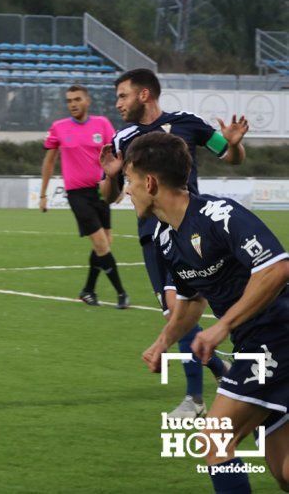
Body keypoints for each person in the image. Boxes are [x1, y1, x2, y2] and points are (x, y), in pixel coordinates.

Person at [132, 132, 289, 494]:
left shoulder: (219, 215)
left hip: (277, 337)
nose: (127, 191)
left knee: (214, 438)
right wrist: (162, 342)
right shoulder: (167, 238)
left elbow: (276, 269)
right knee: (284, 471)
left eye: (130, 180)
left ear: (150, 182)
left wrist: (223, 327)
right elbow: (190, 303)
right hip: (257, 344)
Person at [100, 68, 249, 419]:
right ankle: (220, 374)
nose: (118, 103)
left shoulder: (186, 122)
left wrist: (233, 143)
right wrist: (109, 177)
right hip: (152, 237)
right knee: (176, 311)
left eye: (123, 95)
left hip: (189, 230)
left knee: (184, 307)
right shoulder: (123, 139)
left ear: (145, 95)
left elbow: (231, 158)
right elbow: (108, 197)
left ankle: (197, 398)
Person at [40, 85, 129, 308]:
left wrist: (120, 185)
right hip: (77, 194)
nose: (73, 104)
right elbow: (49, 162)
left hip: (101, 191)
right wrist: (42, 194)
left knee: (105, 242)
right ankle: (121, 293)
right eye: (69, 100)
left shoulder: (102, 124)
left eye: (77, 99)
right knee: (100, 243)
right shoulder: (59, 127)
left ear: (87, 101)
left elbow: (118, 156)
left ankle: (88, 290)